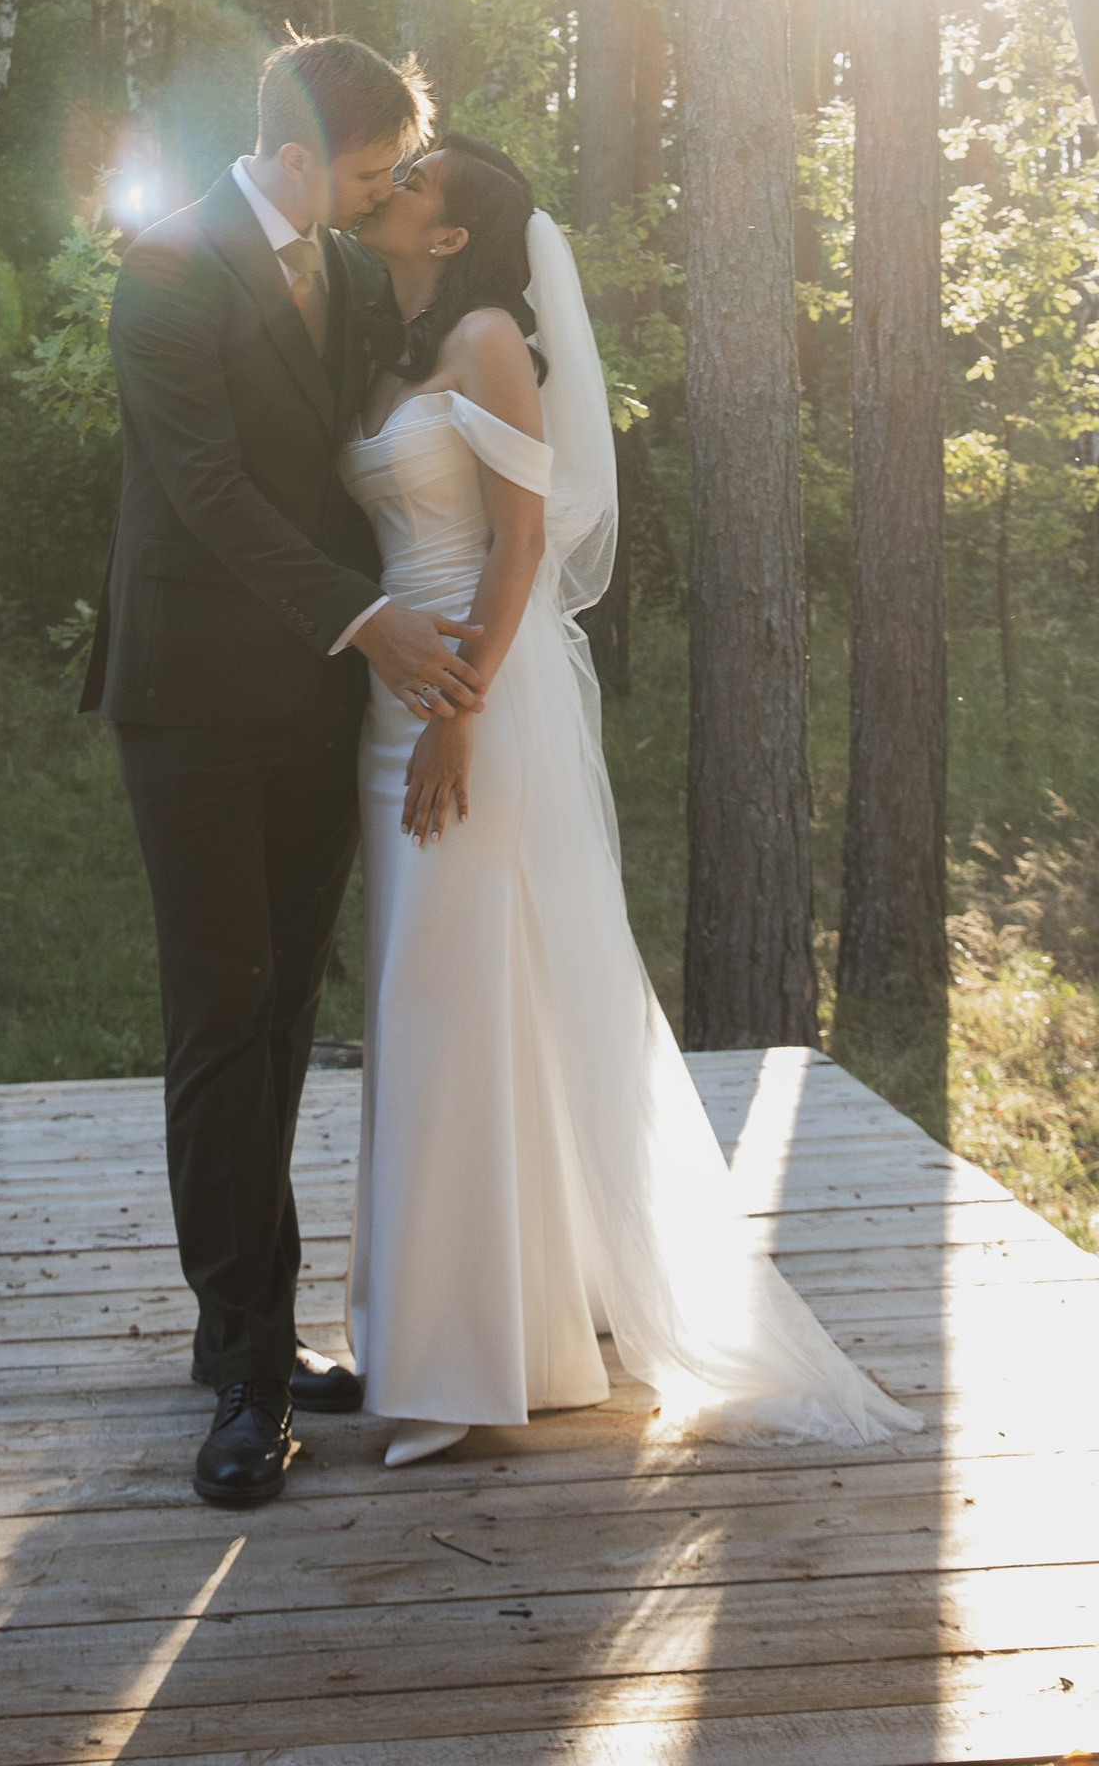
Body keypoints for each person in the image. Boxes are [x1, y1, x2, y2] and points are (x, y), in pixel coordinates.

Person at [339, 134, 916, 1466]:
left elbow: (524, 539)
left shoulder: (485, 336)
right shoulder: (390, 352)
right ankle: (509, 1337)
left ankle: (457, 1365)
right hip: (398, 700)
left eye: (413, 180)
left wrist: (458, 717)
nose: (392, 187)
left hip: (472, 696)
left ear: (448, 234)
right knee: (442, 998)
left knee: (449, 996)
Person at [82, 34, 484, 1508]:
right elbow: (204, 490)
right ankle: (251, 1377)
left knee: (281, 1020)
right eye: (369, 174)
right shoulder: (166, 266)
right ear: (302, 152)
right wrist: (370, 620)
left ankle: (236, 1326)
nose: (381, 200)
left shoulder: (347, 274)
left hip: (320, 707)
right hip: (188, 700)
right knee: (218, 1014)